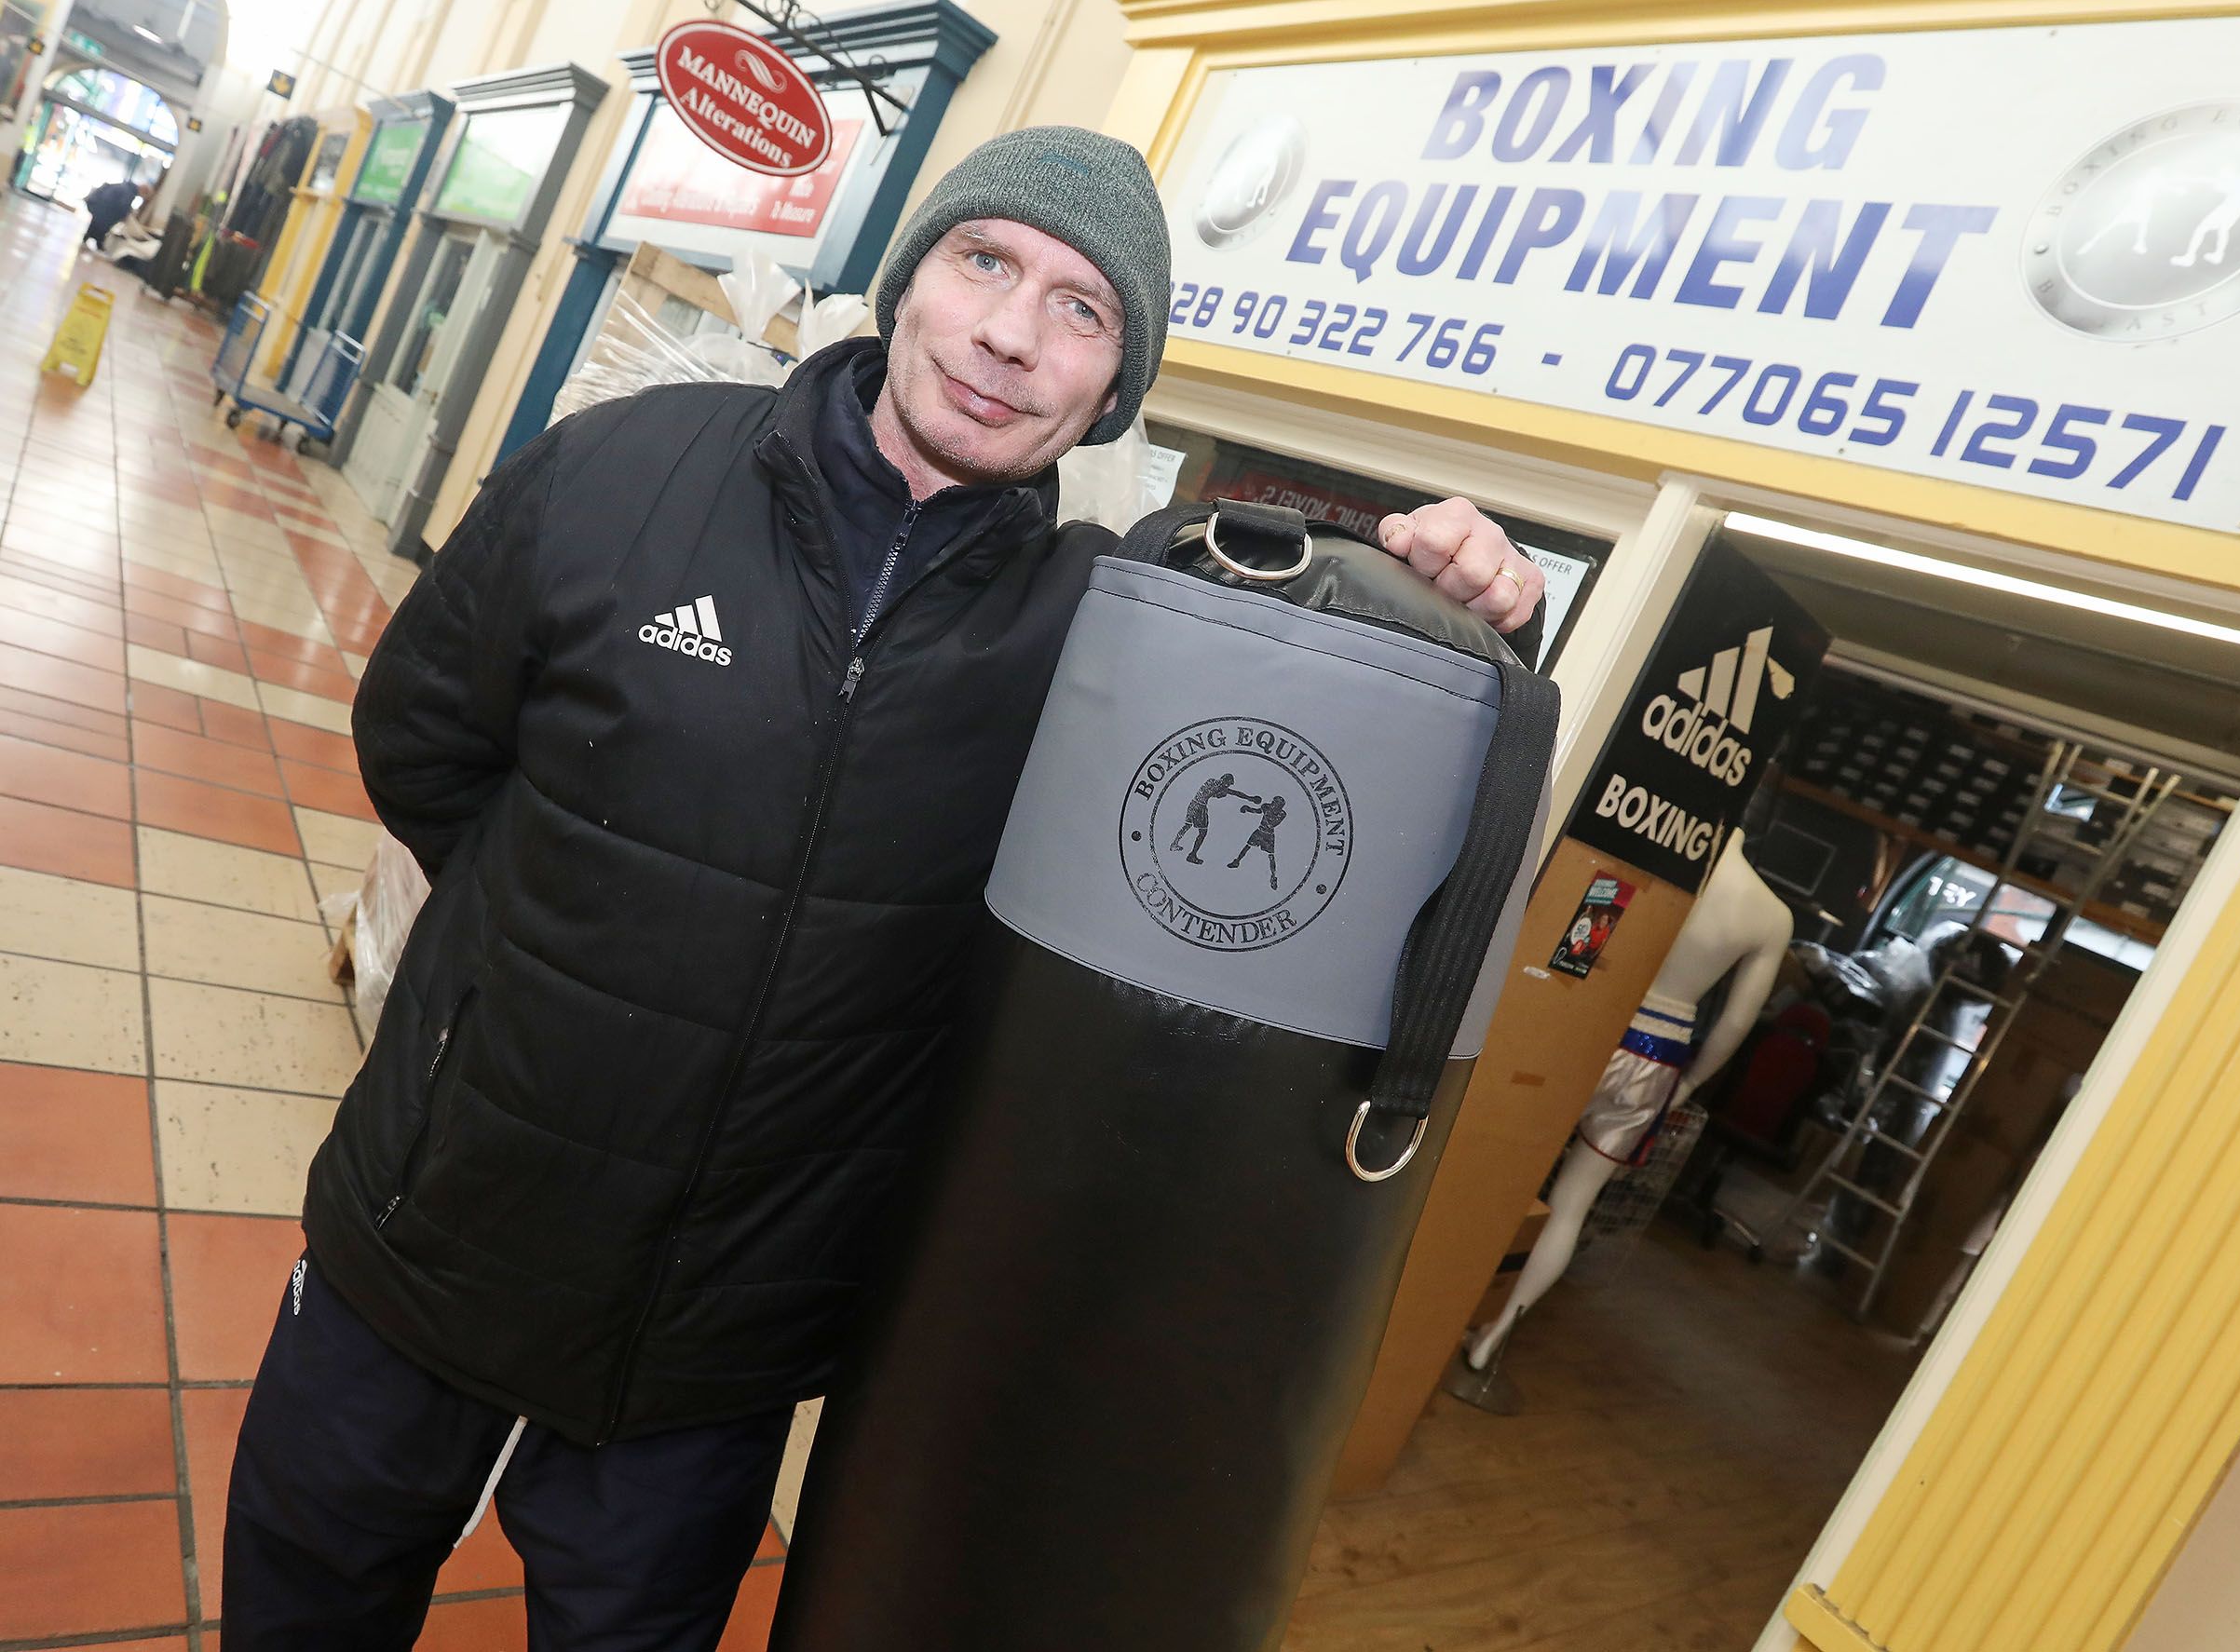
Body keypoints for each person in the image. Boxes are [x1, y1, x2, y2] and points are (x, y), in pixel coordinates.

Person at [220, 125, 1548, 1650]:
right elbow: (423, 745)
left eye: (1080, 310)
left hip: (709, 1349)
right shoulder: (626, 470)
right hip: (430, 1230)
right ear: (908, 279)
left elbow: (1318, 751)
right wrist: (538, 970)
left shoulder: (1105, 643)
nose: (1009, 333)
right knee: (302, 1612)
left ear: (1110, 390)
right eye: (987, 262)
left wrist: (1439, 601)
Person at [80, 176, 142, 251]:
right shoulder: (129, 193)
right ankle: (98, 245)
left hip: (100, 207)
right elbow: (123, 206)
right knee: (101, 228)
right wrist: (125, 214)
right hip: (106, 211)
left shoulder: (125, 187)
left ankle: (89, 241)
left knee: (95, 226)